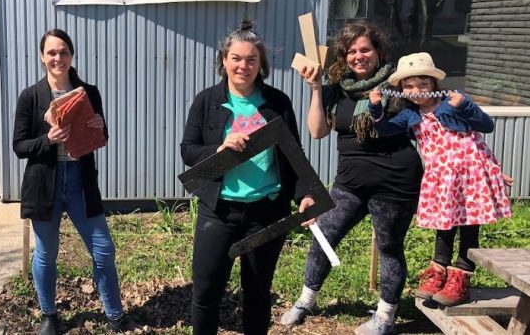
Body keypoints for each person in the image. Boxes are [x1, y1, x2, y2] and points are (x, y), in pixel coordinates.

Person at [281, 20, 424, 335]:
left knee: (389, 247)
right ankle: (307, 299)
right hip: (350, 183)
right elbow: (317, 131)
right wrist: (316, 89)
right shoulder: (337, 89)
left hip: (396, 183)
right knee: (324, 234)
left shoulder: (398, 86)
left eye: (365, 49)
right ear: (343, 56)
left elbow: (431, 123)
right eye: (351, 51)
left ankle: (385, 318)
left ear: (378, 51)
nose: (359, 56)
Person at [180, 20, 313, 335]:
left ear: (261, 64)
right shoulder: (207, 101)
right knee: (206, 292)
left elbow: (294, 155)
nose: (243, 65)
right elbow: (188, 151)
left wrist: (305, 193)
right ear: (224, 61)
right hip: (219, 212)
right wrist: (219, 148)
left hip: (266, 212)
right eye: (236, 58)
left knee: (257, 293)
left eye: (251, 59)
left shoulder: (277, 102)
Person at [13, 29, 135, 334]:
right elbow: (19, 146)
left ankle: (115, 314)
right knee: (46, 252)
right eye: (51, 52)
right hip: (45, 183)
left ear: (71, 55)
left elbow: (101, 136)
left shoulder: (88, 92)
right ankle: (49, 315)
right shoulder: (31, 96)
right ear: (42, 57)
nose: (58, 58)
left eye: (63, 52)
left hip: (80, 181)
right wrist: (48, 139)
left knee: (103, 249)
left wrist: (99, 128)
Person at [368, 52, 513, 307]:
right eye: (409, 86)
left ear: (433, 84)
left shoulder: (451, 103)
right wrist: (376, 108)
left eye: (423, 84)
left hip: (470, 176)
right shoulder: (411, 115)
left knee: (469, 226)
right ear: (401, 89)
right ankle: (439, 271)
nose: (417, 90)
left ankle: (462, 276)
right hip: (442, 179)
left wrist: (466, 105)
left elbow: (486, 125)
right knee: (444, 227)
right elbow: (385, 130)